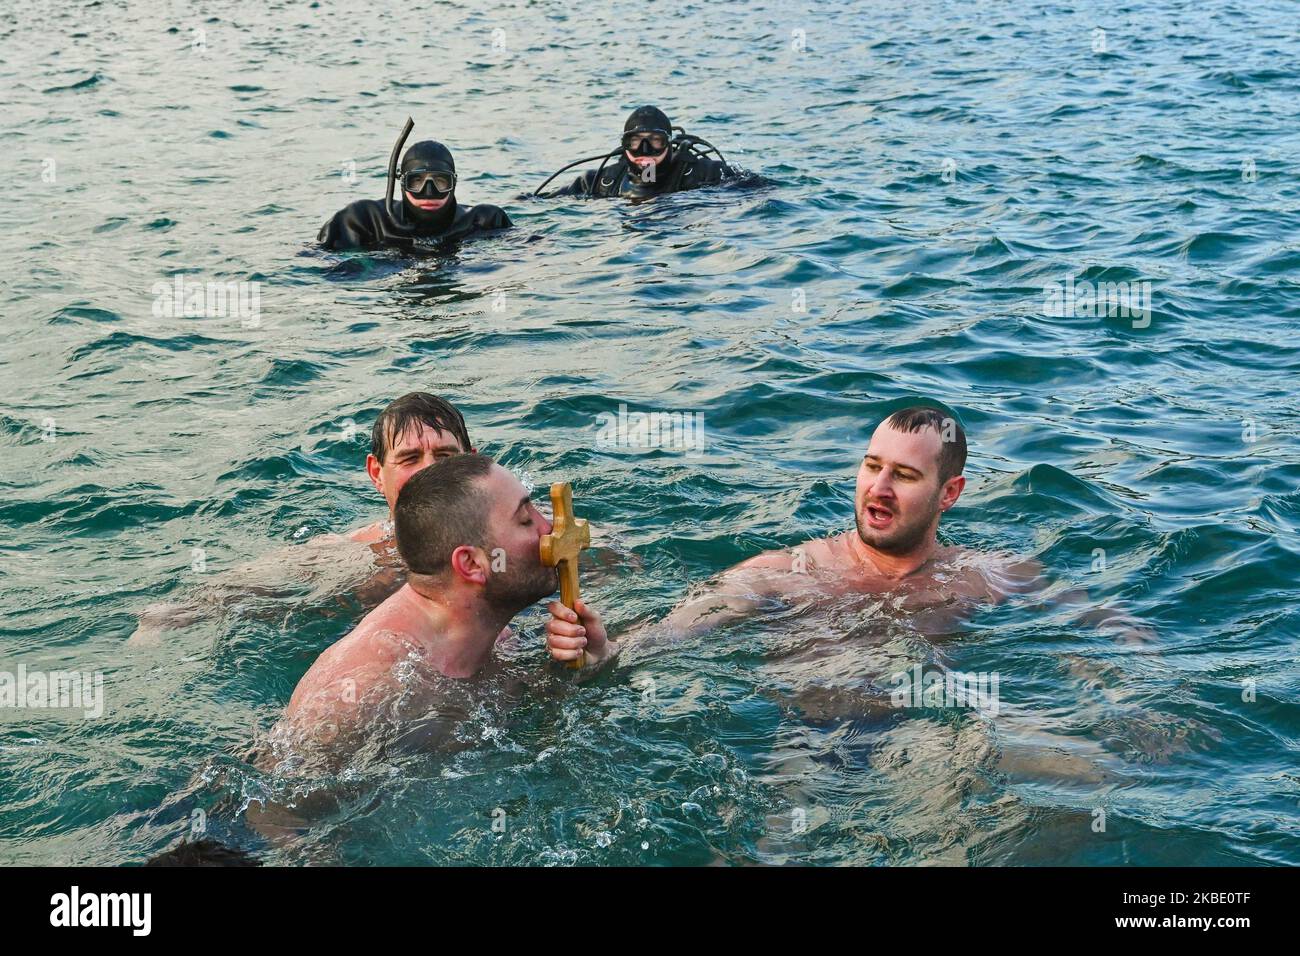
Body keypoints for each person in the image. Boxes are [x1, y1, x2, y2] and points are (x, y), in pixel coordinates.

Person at [544, 406, 1151, 668]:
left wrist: (1124, 689)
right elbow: (678, 629)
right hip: (813, 748)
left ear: (951, 493)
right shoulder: (791, 570)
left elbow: (1109, 625)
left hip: (931, 737)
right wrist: (605, 651)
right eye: (871, 466)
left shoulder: (986, 575)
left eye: (905, 475)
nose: (878, 488)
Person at [279, 454, 611, 753]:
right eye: (526, 520)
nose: (550, 529)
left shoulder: (499, 637)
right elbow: (271, 813)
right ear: (471, 564)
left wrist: (596, 659)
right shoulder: (363, 692)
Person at [127, 392, 474, 645]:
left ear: (474, 464)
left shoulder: (518, 540)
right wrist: (163, 621)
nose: (431, 471)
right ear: (376, 473)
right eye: (410, 458)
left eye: (445, 455)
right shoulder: (348, 555)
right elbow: (216, 596)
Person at [318, 119, 511, 250]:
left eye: (440, 181)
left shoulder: (484, 221)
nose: (429, 192)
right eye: (416, 181)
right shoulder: (363, 220)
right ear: (402, 182)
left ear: (454, 183)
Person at [537, 105, 732, 199]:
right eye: (636, 142)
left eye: (656, 141)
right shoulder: (599, 182)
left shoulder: (708, 174)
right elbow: (536, 203)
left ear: (669, 143)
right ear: (624, 145)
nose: (645, 151)